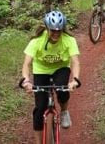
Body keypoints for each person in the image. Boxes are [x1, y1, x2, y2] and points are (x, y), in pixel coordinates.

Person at [20, 10, 81, 144]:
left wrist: (75, 80)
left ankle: (64, 111)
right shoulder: (36, 41)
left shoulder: (69, 40)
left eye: (59, 31)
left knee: (62, 90)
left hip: (61, 68)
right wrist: (26, 80)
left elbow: (75, 62)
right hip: (41, 71)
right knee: (40, 108)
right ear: (47, 28)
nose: (56, 34)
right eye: (53, 30)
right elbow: (26, 64)